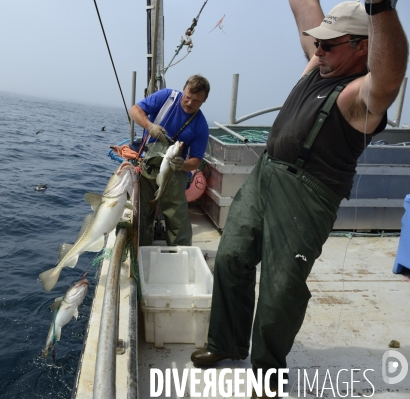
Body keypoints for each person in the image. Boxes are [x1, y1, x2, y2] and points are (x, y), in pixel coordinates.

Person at [191, 0, 408, 396]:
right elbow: (305, 8)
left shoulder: (360, 95)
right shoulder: (321, 63)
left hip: (307, 195)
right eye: (318, 45)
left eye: (329, 45)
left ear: (362, 47)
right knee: (232, 257)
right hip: (266, 175)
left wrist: (380, 8)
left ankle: (266, 374)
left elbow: (389, 78)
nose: (317, 51)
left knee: (281, 292)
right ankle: (227, 343)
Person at [130, 75, 210, 246]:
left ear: (204, 101)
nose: (189, 103)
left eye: (196, 101)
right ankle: (140, 247)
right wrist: (149, 126)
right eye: (188, 96)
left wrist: (183, 165)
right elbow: (135, 110)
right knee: (142, 211)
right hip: (147, 165)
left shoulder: (201, 125)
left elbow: (196, 160)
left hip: (174, 170)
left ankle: (180, 251)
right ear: (183, 89)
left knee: (177, 215)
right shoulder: (166, 97)